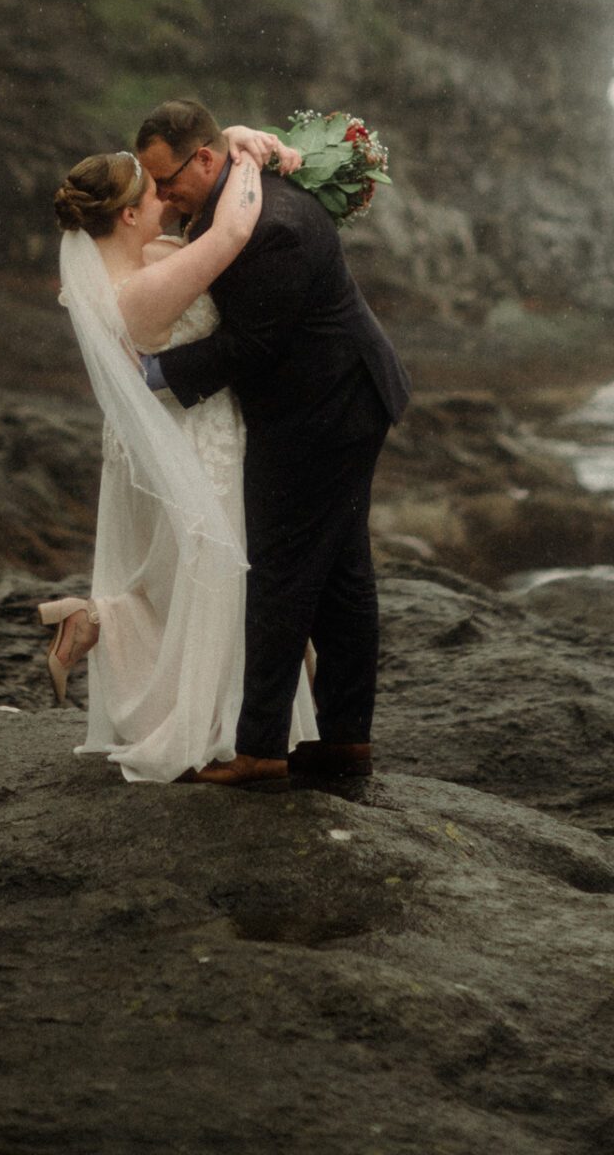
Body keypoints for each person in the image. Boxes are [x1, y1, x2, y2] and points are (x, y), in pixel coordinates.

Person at [133, 98, 410, 791]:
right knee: (342, 576)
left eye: (168, 182)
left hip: (326, 411)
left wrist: (150, 376)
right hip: (339, 398)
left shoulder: (274, 225)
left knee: (281, 573)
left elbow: (252, 345)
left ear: (204, 159)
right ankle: (345, 741)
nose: (162, 196)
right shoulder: (240, 183)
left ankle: (260, 749)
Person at [44, 127, 318, 782]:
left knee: (171, 581)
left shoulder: (130, 264)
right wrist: (247, 160)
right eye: (154, 192)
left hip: (145, 442)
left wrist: (231, 136)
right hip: (189, 442)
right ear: (130, 214)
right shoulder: (145, 287)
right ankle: (215, 728)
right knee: (207, 582)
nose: (168, 196)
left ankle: (95, 619)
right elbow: (228, 237)